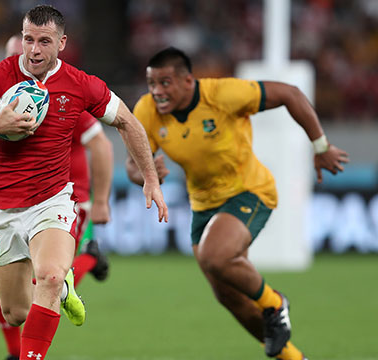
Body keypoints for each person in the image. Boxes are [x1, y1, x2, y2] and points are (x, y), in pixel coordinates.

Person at [0, 5, 167, 359]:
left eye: (44, 41)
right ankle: (62, 288)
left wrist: (150, 178)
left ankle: (55, 295)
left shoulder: (79, 84)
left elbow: (127, 122)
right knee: (16, 313)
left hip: (52, 201)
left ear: (62, 43)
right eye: (29, 39)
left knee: (50, 276)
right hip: (0, 206)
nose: (34, 50)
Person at [126, 47, 349, 360]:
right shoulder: (147, 110)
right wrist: (147, 175)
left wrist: (320, 145)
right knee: (230, 297)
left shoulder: (223, 94)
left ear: (188, 81)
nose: (157, 92)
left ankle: (275, 303)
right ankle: (295, 359)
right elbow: (133, 164)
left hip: (248, 190)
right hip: (204, 206)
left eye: (165, 83)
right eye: (152, 84)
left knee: (216, 256)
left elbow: (291, 94)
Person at [0, 34, 114, 360]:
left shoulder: (62, 96)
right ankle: (81, 269)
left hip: (64, 195)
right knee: (8, 291)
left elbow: (100, 143)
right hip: (13, 199)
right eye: (19, 51)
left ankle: (20, 352)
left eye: (37, 46)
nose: (30, 55)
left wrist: (100, 201)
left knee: (50, 277)